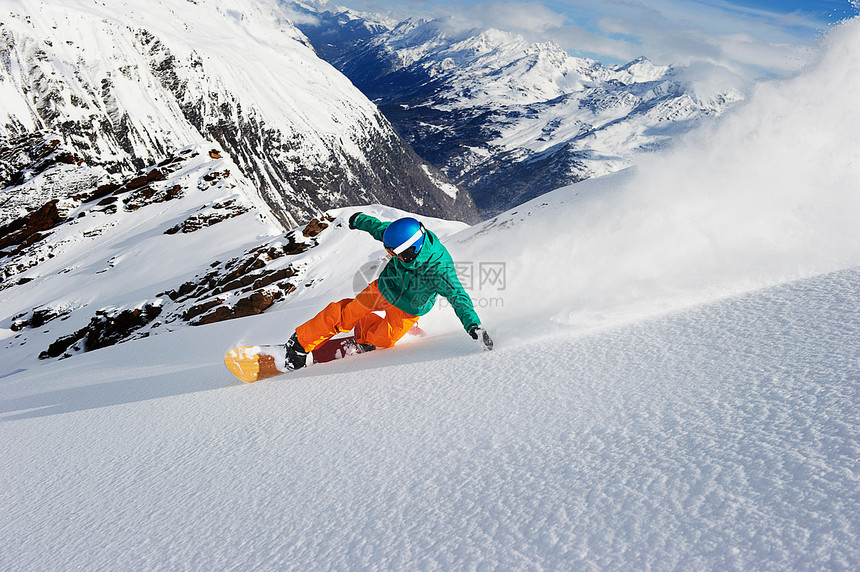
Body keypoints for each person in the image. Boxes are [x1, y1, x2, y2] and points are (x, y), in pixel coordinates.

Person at [284, 212, 493, 370]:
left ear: (412, 252)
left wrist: (473, 325)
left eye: (394, 254)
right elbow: (377, 227)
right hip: (383, 289)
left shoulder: (439, 270)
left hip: (409, 308)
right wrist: (358, 219)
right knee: (348, 313)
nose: (392, 256)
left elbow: (458, 298)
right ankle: (299, 342)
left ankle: (365, 337)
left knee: (384, 341)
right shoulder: (401, 239)